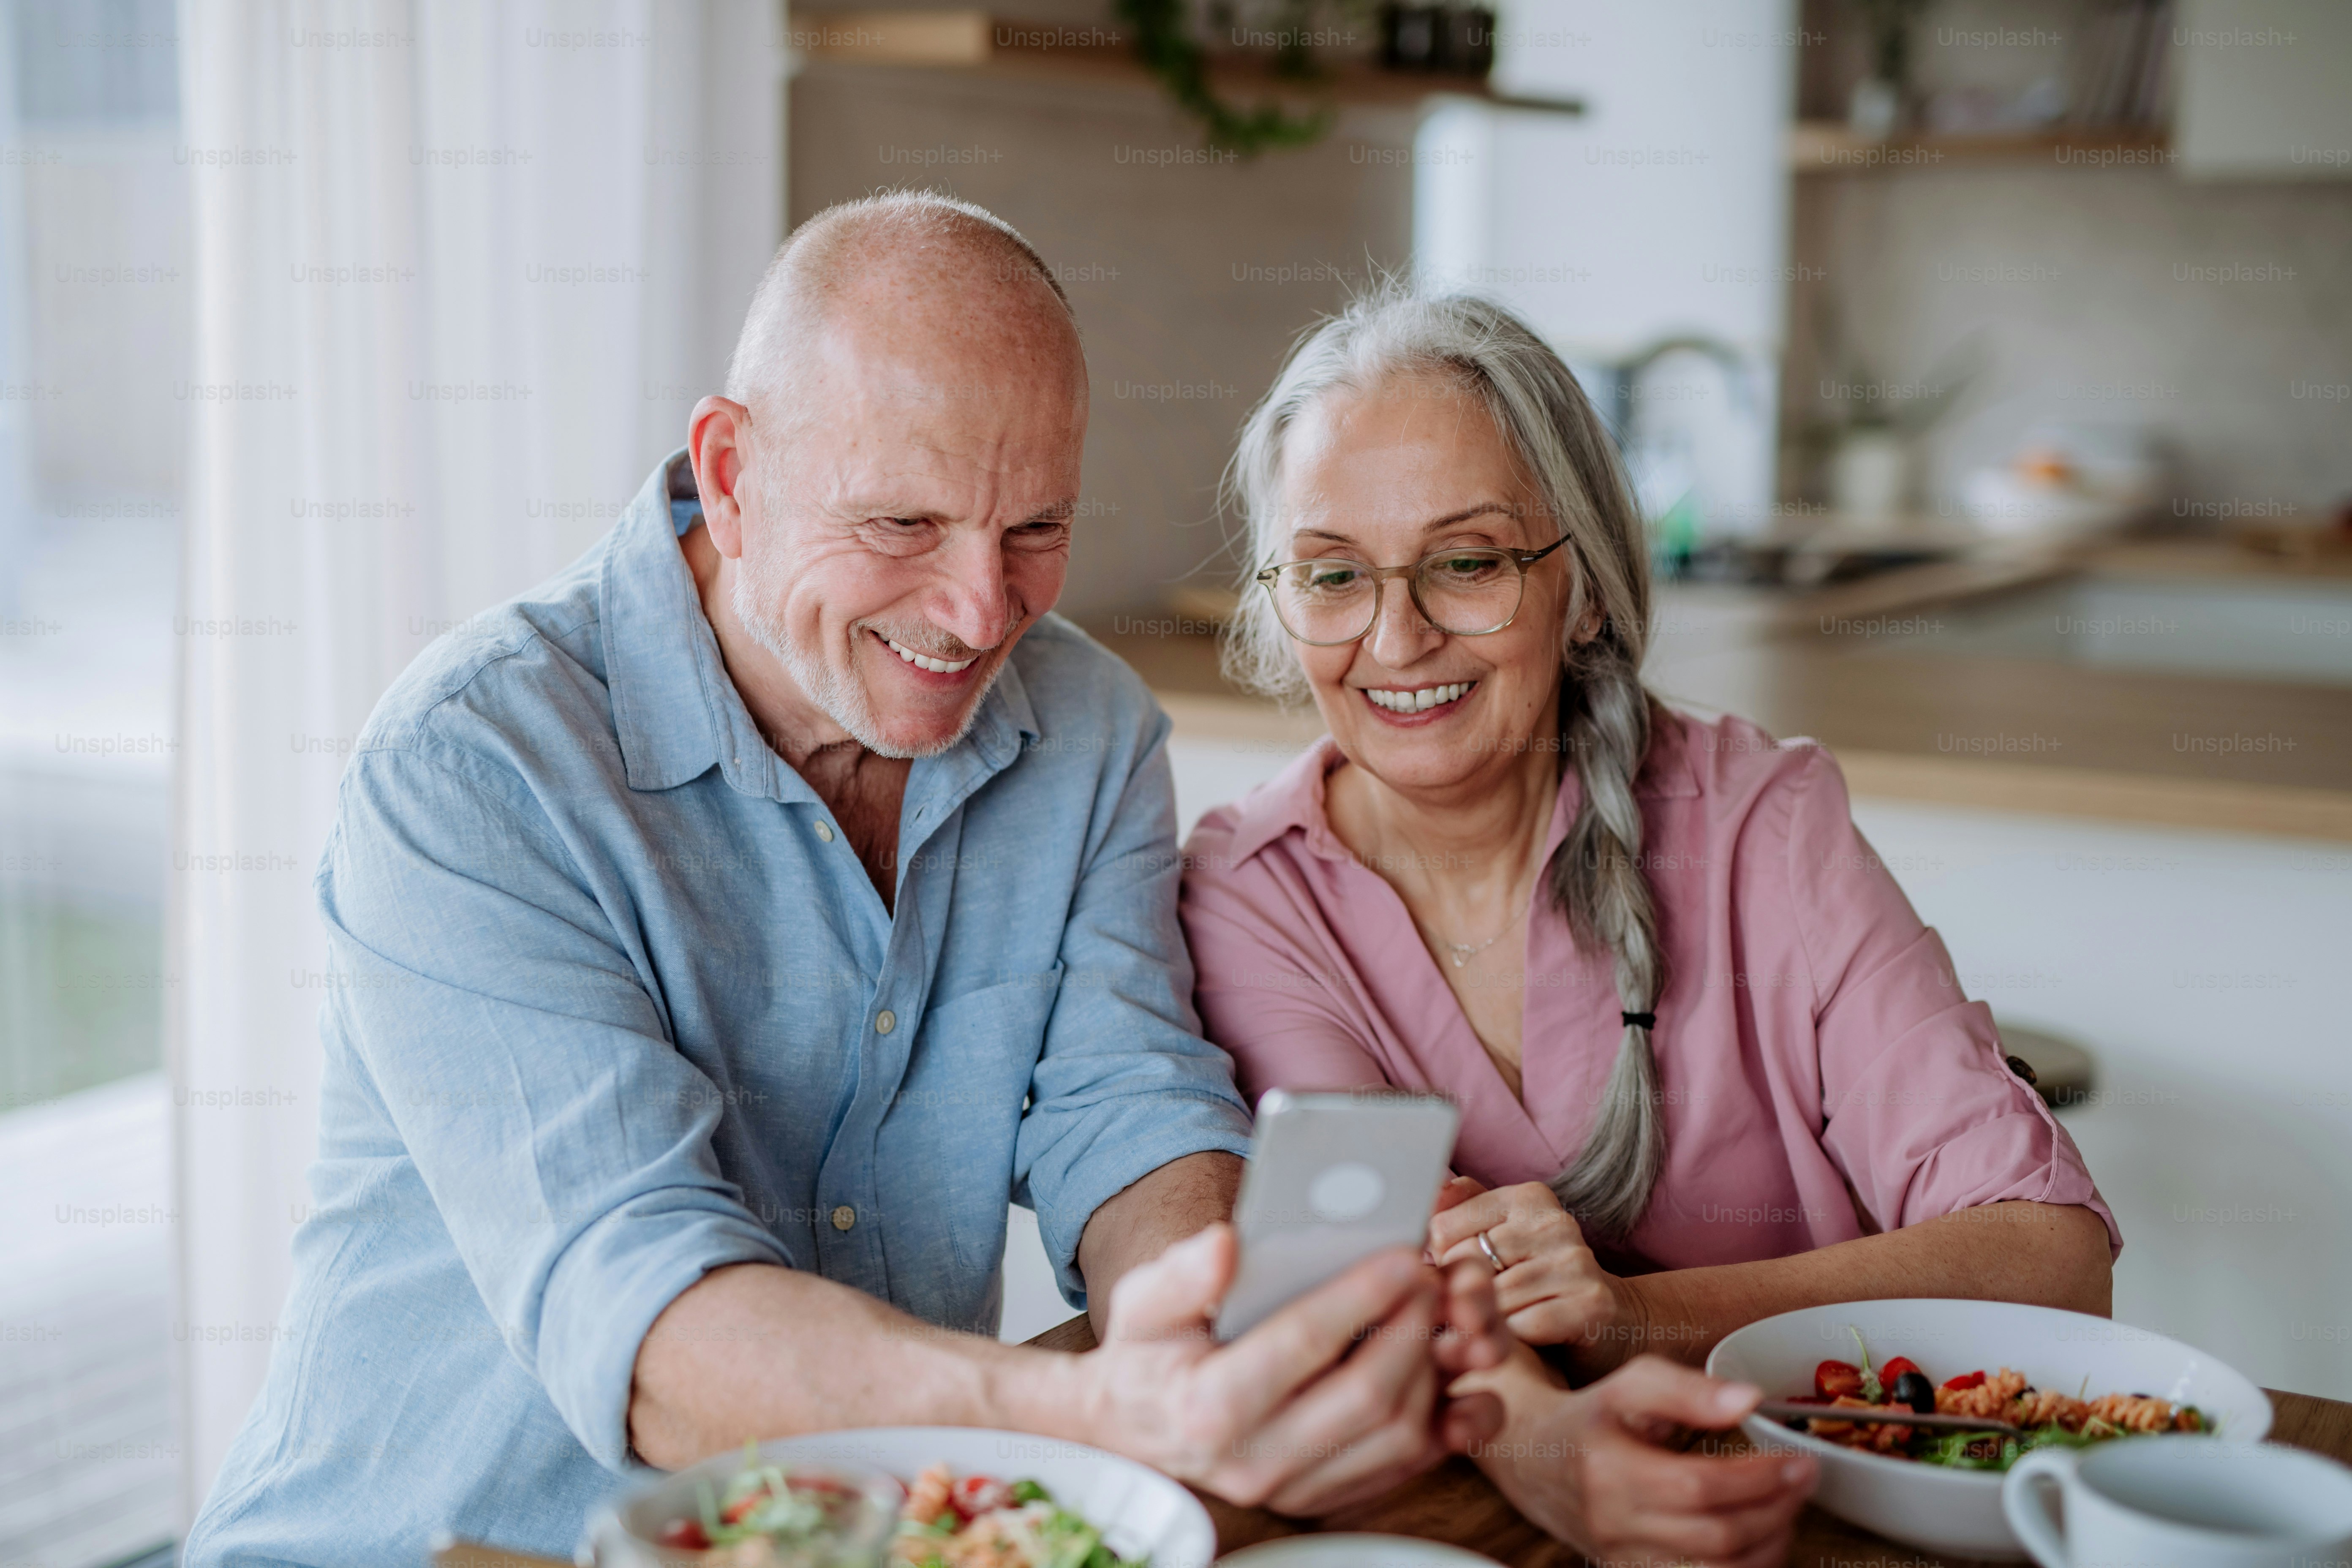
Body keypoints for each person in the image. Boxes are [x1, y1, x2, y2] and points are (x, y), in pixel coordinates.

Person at [183, 196, 1511, 1568]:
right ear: (735, 473)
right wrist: (1091, 1410)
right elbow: (645, 1321)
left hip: (856, 1539)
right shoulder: (474, 768)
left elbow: (1129, 1109)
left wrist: (1209, 1325)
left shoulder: (1088, 730)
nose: (979, 611)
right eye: (902, 523)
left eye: (1035, 529)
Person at [1179, 289, 2121, 1565]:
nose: (1395, 638)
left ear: (1583, 588)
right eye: (1333, 574)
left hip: (1830, 1512)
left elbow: (2050, 1255)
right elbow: (1382, 1287)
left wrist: (1639, 1314)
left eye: (1467, 562)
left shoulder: (1764, 828)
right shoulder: (1252, 887)